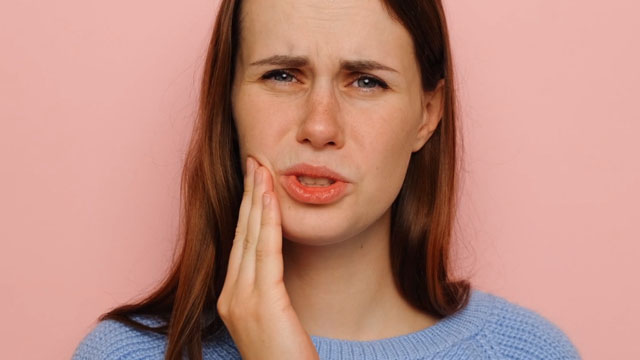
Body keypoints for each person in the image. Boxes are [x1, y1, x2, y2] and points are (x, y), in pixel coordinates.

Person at [72, 0, 581, 359]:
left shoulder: (528, 353)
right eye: (282, 75)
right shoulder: (121, 356)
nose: (319, 127)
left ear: (427, 113)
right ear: (228, 100)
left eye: (366, 81)